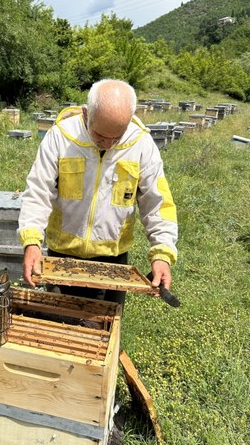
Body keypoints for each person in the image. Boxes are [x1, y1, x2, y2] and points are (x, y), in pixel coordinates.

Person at [17, 78, 178, 308]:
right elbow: (38, 191)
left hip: (113, 261)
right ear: (86, 114)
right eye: (100, 135)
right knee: (60, 327)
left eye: (117, 137)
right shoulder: (61, 136)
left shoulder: (141, 143)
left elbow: (158, 204)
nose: (109, 144)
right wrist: (31, 242)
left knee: (104, 331)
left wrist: (162, 253)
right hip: (62, 256)